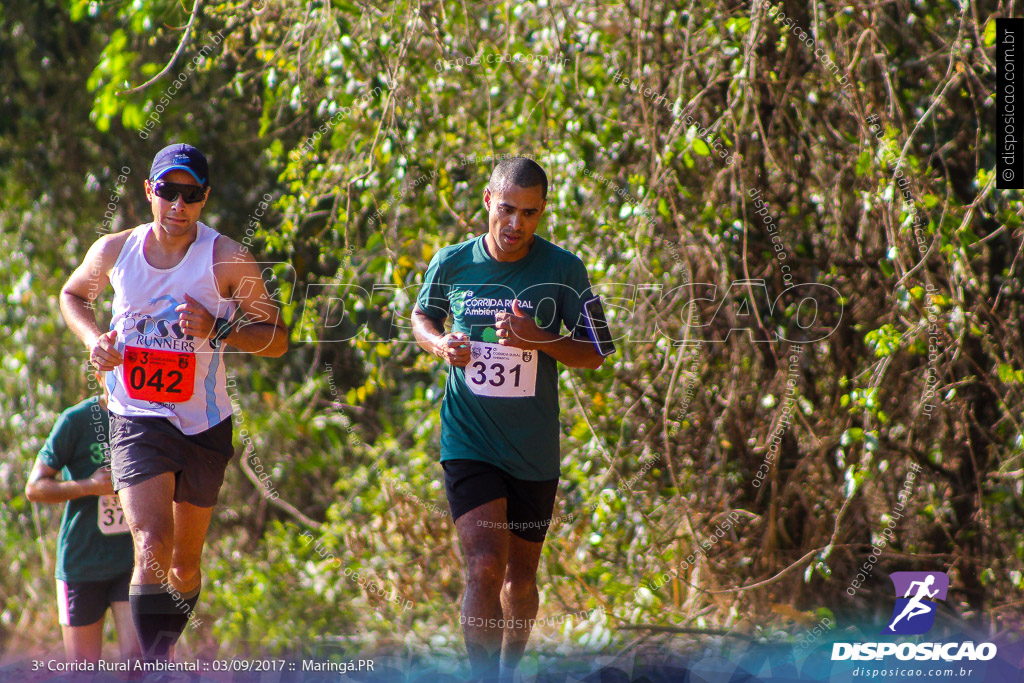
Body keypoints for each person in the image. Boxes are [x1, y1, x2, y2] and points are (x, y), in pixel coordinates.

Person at [58, 143, 288, 662]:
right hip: (137, 415)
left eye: (190, 195)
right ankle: (146, 669)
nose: (177, 206)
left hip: (204, 424)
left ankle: (159, 653)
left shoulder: (227, 259)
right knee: (151, 541)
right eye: (167, 191)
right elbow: (72, 296)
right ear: (149, 191)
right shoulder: (115, 252)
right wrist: (94, 338)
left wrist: (220, 328)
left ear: (204, 199)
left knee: (184, 564)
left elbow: (277, 337)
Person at [412, 157, 606, 682]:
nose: (516, 224)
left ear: (542, 212)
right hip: (469, 439)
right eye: (507, 209)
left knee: (520, 580)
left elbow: (598, 350)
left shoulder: (564, 270)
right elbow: (422, 315)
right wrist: (439, 342)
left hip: (533, 450)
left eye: (529, 213)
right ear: (487, 202)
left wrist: (537, 337)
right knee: (483, 566)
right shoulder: (452, 263)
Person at [25, 377, 140, 665]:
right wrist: (90, 485)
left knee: (139, 665)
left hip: (132, 562)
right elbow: (35, 488)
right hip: (82, 563)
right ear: (99, 374)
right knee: (82, 670)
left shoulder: (149, 418)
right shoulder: (76, 420)